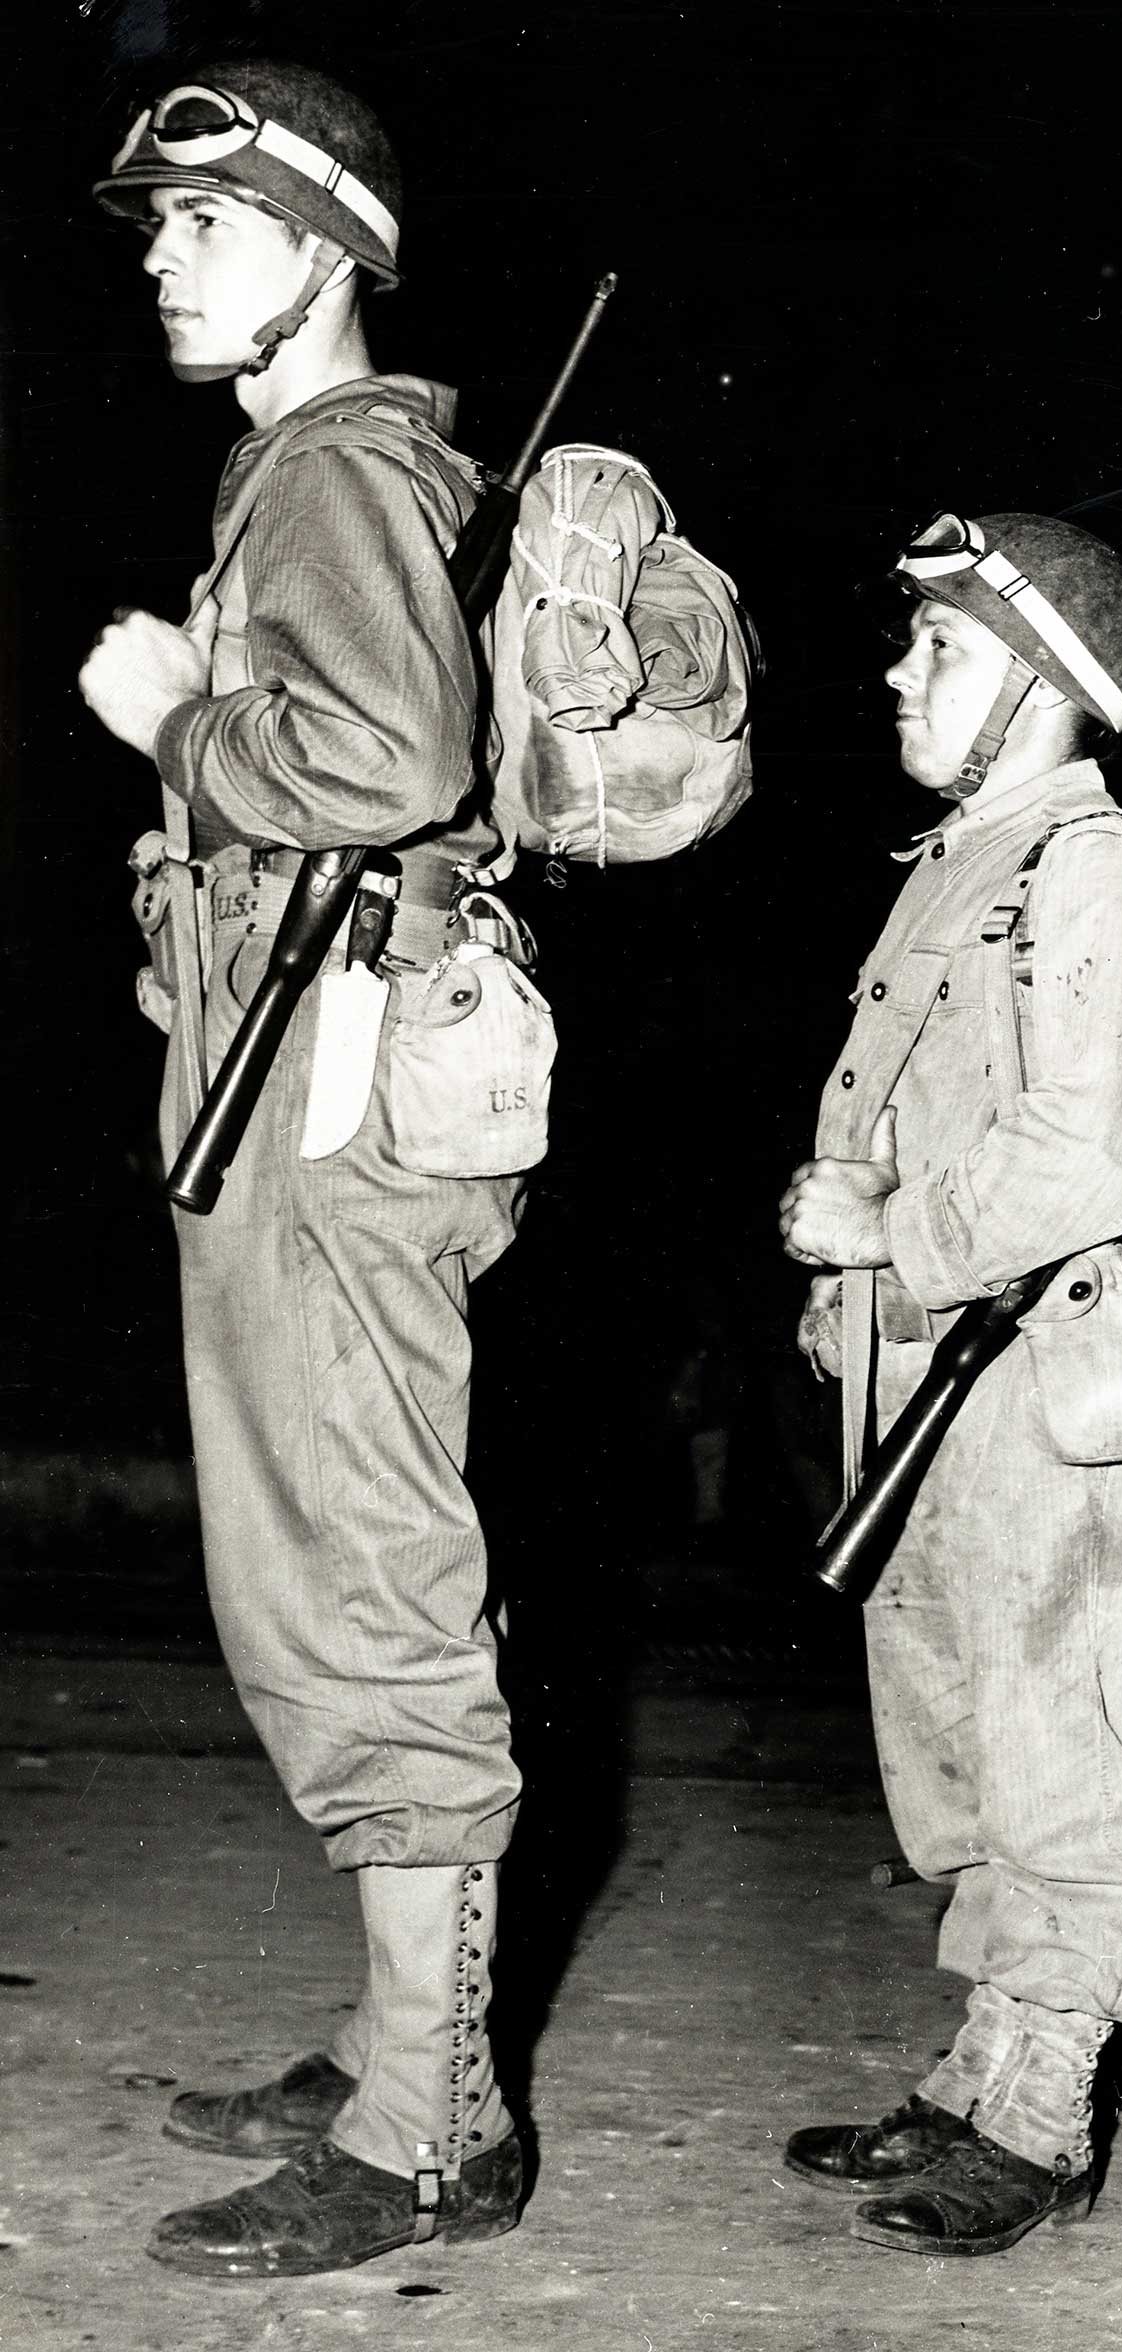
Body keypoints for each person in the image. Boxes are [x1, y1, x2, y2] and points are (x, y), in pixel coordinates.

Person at [79, 61, 533, 2277]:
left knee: (361, 1587)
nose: (159, 253)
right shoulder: (316, 474)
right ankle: (396, 2049)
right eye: (152, 225)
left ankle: (432, 2129)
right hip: (315, 1090)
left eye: (203, 220)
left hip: (344, 1107)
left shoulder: (333, 469)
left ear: (324, 250)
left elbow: (383, 754)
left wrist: (174, 719)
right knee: (324, 1572)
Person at [776, 511, 1122, 2256]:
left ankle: (1043, 2115)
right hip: (933, 1377)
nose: (902, 668)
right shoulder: (965, 857)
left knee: (1058, 1754)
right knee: (955, 1745)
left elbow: (1095, 1154)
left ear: (1042, 686)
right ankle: (981, 2066)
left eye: (942, 648)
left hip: (1044, 1376)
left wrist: (889, 1223)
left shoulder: (1093, 869)